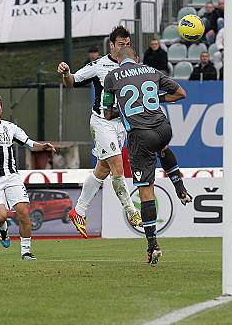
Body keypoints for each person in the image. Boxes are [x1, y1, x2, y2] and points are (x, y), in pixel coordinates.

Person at [103, 47, 191, 264]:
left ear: (118, 60)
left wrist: (121, 110)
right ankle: (180, 188)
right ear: (137, 59)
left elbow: (107, 112)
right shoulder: (152, 70)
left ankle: (153, 245)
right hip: (163, 128)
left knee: (146, 192)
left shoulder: (112, 76)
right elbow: (181, 93)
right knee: (162, 148)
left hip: (141, 137)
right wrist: (157, 99)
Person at [57, 26, 141, 237]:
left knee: (102, 169)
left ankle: (78, 211)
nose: (124, 48)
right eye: (120, 44)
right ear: (111, 45)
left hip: (121, 125)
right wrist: (67, 73)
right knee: (116, 164)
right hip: (102, 122)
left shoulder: (133, 66)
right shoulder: (98, 65)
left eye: (127, 44)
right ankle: (132, 211)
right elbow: (72, 82)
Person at [0, 91, 55, 261]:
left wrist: (43, 146)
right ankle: (3, 230)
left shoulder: (10, 127)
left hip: (12, 177)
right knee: (0, 217)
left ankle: (26, 252)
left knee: (24, 213)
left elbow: (29, 144)